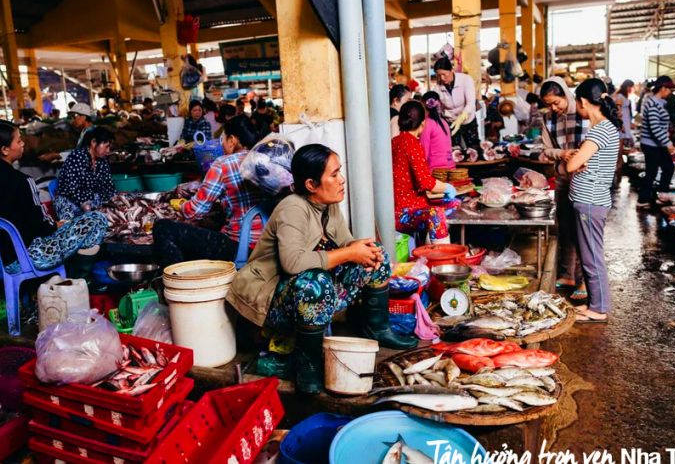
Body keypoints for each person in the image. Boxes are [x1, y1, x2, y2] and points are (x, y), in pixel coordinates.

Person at [227, 144, 416, 394]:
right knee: (315, 283)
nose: (342, 180)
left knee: (375, 255)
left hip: (303, 292)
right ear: (311, 185)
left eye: (340, 172)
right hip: (270, 299)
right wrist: (349, 252)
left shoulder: (328, 204)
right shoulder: (293, 208)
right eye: (334, 174)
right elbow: (292, 263)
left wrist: (356, 247)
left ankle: (378, 329)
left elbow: (343, 243)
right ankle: (309, 367)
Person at [0, 120, 107, 278]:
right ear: (5, 149)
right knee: (97, 219)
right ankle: (74, 279)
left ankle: (58, 280)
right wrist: (56, 225)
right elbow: (40, 226)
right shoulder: (21, 181)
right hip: (24, 259)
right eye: (19, 140)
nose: (23, 144)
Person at [154, 116, 265, 266]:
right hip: (267, 245)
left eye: (223, 139)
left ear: (232, 140)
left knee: (163, 227)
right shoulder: (266, 160)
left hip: (240, 248)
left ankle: (177, 281)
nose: (222, 144)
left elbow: (195, 211)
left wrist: (180, 205)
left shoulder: (223, 164)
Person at [563, 78, 622, 323]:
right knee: (590, 254)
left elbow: (571, 165)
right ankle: (595, 304)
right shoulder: (605, 129)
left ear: (584, 102)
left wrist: (576, 159)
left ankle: (598, 309)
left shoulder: (600, 130)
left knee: (591, 257)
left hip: (590, 201)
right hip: (591, 200)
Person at [538, 77, 587, 298]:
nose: (553, 108)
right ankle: (567, 273)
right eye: (549, 104)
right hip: (562, 178)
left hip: (584, 178)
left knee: (583, 230)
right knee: (565, 227)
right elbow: (546, 149)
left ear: (566, 95)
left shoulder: (583, 112)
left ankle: (584, 281)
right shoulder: (547, 119)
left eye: (556, 102)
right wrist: (561, 154)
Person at [392, 101, 458, 245]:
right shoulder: (413, 144)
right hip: (404, 212)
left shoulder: (394, 142)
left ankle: (429, 252)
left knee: (444, 206)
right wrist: (447, 188)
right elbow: (426, 182)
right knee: (439, 212)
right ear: (422, 124)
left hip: (395, 207)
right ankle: (442, 261)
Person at [54, 127, 117, 221]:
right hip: (70, 202)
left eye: (109, 147)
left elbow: (108, 185)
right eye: (106, 146)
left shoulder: (102, 160)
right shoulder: (77, 156)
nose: (108, 151)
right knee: (76, 229)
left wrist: (115, 198)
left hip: (90, 202)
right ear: (94, 142)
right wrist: (85, 204)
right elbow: (72, 186)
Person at [637, 75, 675, 208]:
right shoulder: (653, 103)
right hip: (651, 144)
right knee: (654, 171)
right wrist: (669, 144)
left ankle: (661, 195)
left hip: (656, 143)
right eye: (669, 89)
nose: (670, 92)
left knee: (667, 168)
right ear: (663, 88)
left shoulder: (659, 103)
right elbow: (655, 127)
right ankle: (643, 200)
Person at [433, 57, 477, 149]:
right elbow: (439, 109)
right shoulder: (437, 88)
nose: (442, 78)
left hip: (467, 120)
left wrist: (461, 118)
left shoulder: (466, 80)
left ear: (451, 70)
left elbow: (471, 103)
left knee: (473, 148)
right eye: (439, 75)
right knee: (454, 149)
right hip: (451, 122)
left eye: (444, 74)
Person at [419, 92, 456, 170]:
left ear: (423, 105)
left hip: (436, 170)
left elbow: (423, 151)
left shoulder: (426, 124)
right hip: (451, 166)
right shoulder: (444, 122)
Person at [613, 80, 635, 147]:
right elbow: (618, 111)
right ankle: (620, 157)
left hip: (625, 121)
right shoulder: (620, 96)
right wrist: (621, 124)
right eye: (631, 87)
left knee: (622, 142)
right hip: (623, 122)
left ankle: (620, 156)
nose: (632, 89)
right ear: (627, 87)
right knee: (620, 141)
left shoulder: (623, 96)